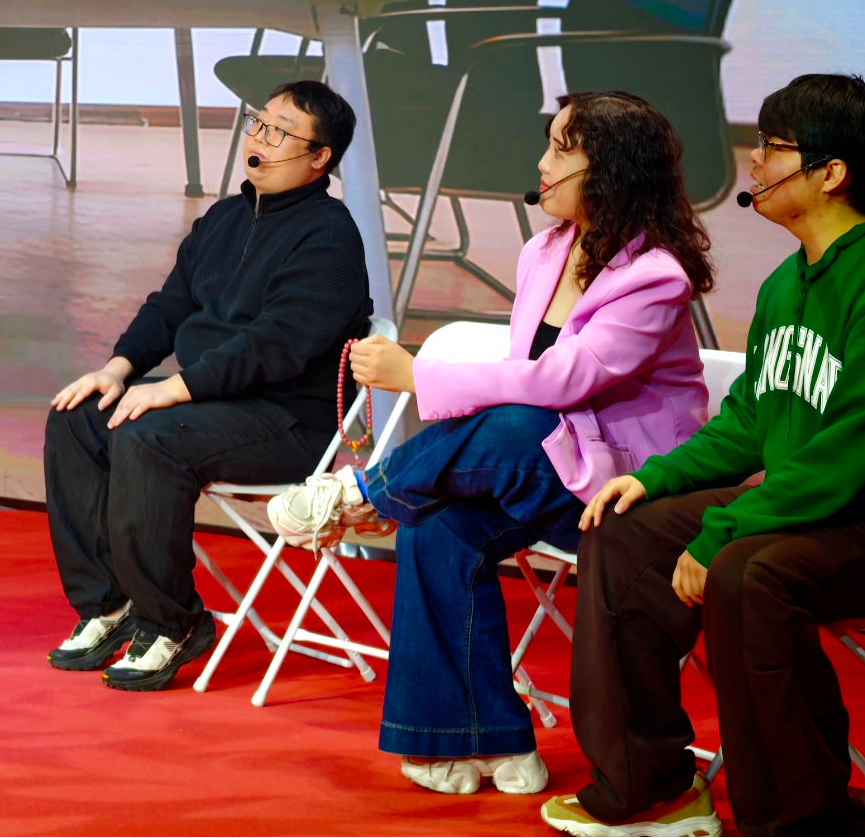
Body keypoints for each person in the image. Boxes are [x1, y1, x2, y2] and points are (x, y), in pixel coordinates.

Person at [541, 75, 865, 838]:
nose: (753, 160)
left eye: (772, 147)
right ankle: (651, 783)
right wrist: (652, 478)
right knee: (623, 530)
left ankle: (805, 822)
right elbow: (752, 418)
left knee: (750, 573)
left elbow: (848, 458)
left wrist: (721, 533)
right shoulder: (789, 281)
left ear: (831, 172)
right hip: (820, 509)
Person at [269, 91, 713, 798]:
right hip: (551, 469)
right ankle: (479, 738)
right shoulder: (545, 250)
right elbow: (528, 383)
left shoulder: (654, 276)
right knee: (437, 526)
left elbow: (564, 381)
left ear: (611, 169)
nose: (541, 163)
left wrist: (419, 374)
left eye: (561, 149)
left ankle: (363, 492)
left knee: (520, 424)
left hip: (627, 497)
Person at [43, 79, 372, 692]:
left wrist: (177, 388)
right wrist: (118, 368)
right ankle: (108, 605)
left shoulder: (329, 236)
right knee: (81, 414)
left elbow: (277, 343)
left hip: (291, 421)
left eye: (280, 132)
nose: (259, 138)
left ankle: (172, 622)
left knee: (149, 435)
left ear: (319, 156)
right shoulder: (224, 217)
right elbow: (171, 306)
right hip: (213, 402)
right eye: (258, 123)